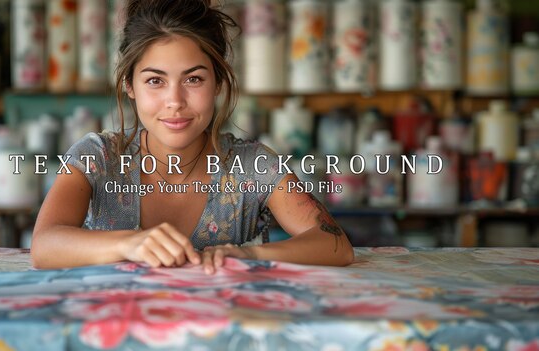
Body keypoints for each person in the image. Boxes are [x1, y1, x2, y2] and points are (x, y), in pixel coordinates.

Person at [31, 0, 354, 273]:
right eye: (155, 81)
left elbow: (336, 245)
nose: (175, 101)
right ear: (130, 85)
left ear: (218, 83)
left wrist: (249, 255)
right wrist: (129, 243)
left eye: (194, 79)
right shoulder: (98, 156)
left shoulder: (251, 165)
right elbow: (44, 246)